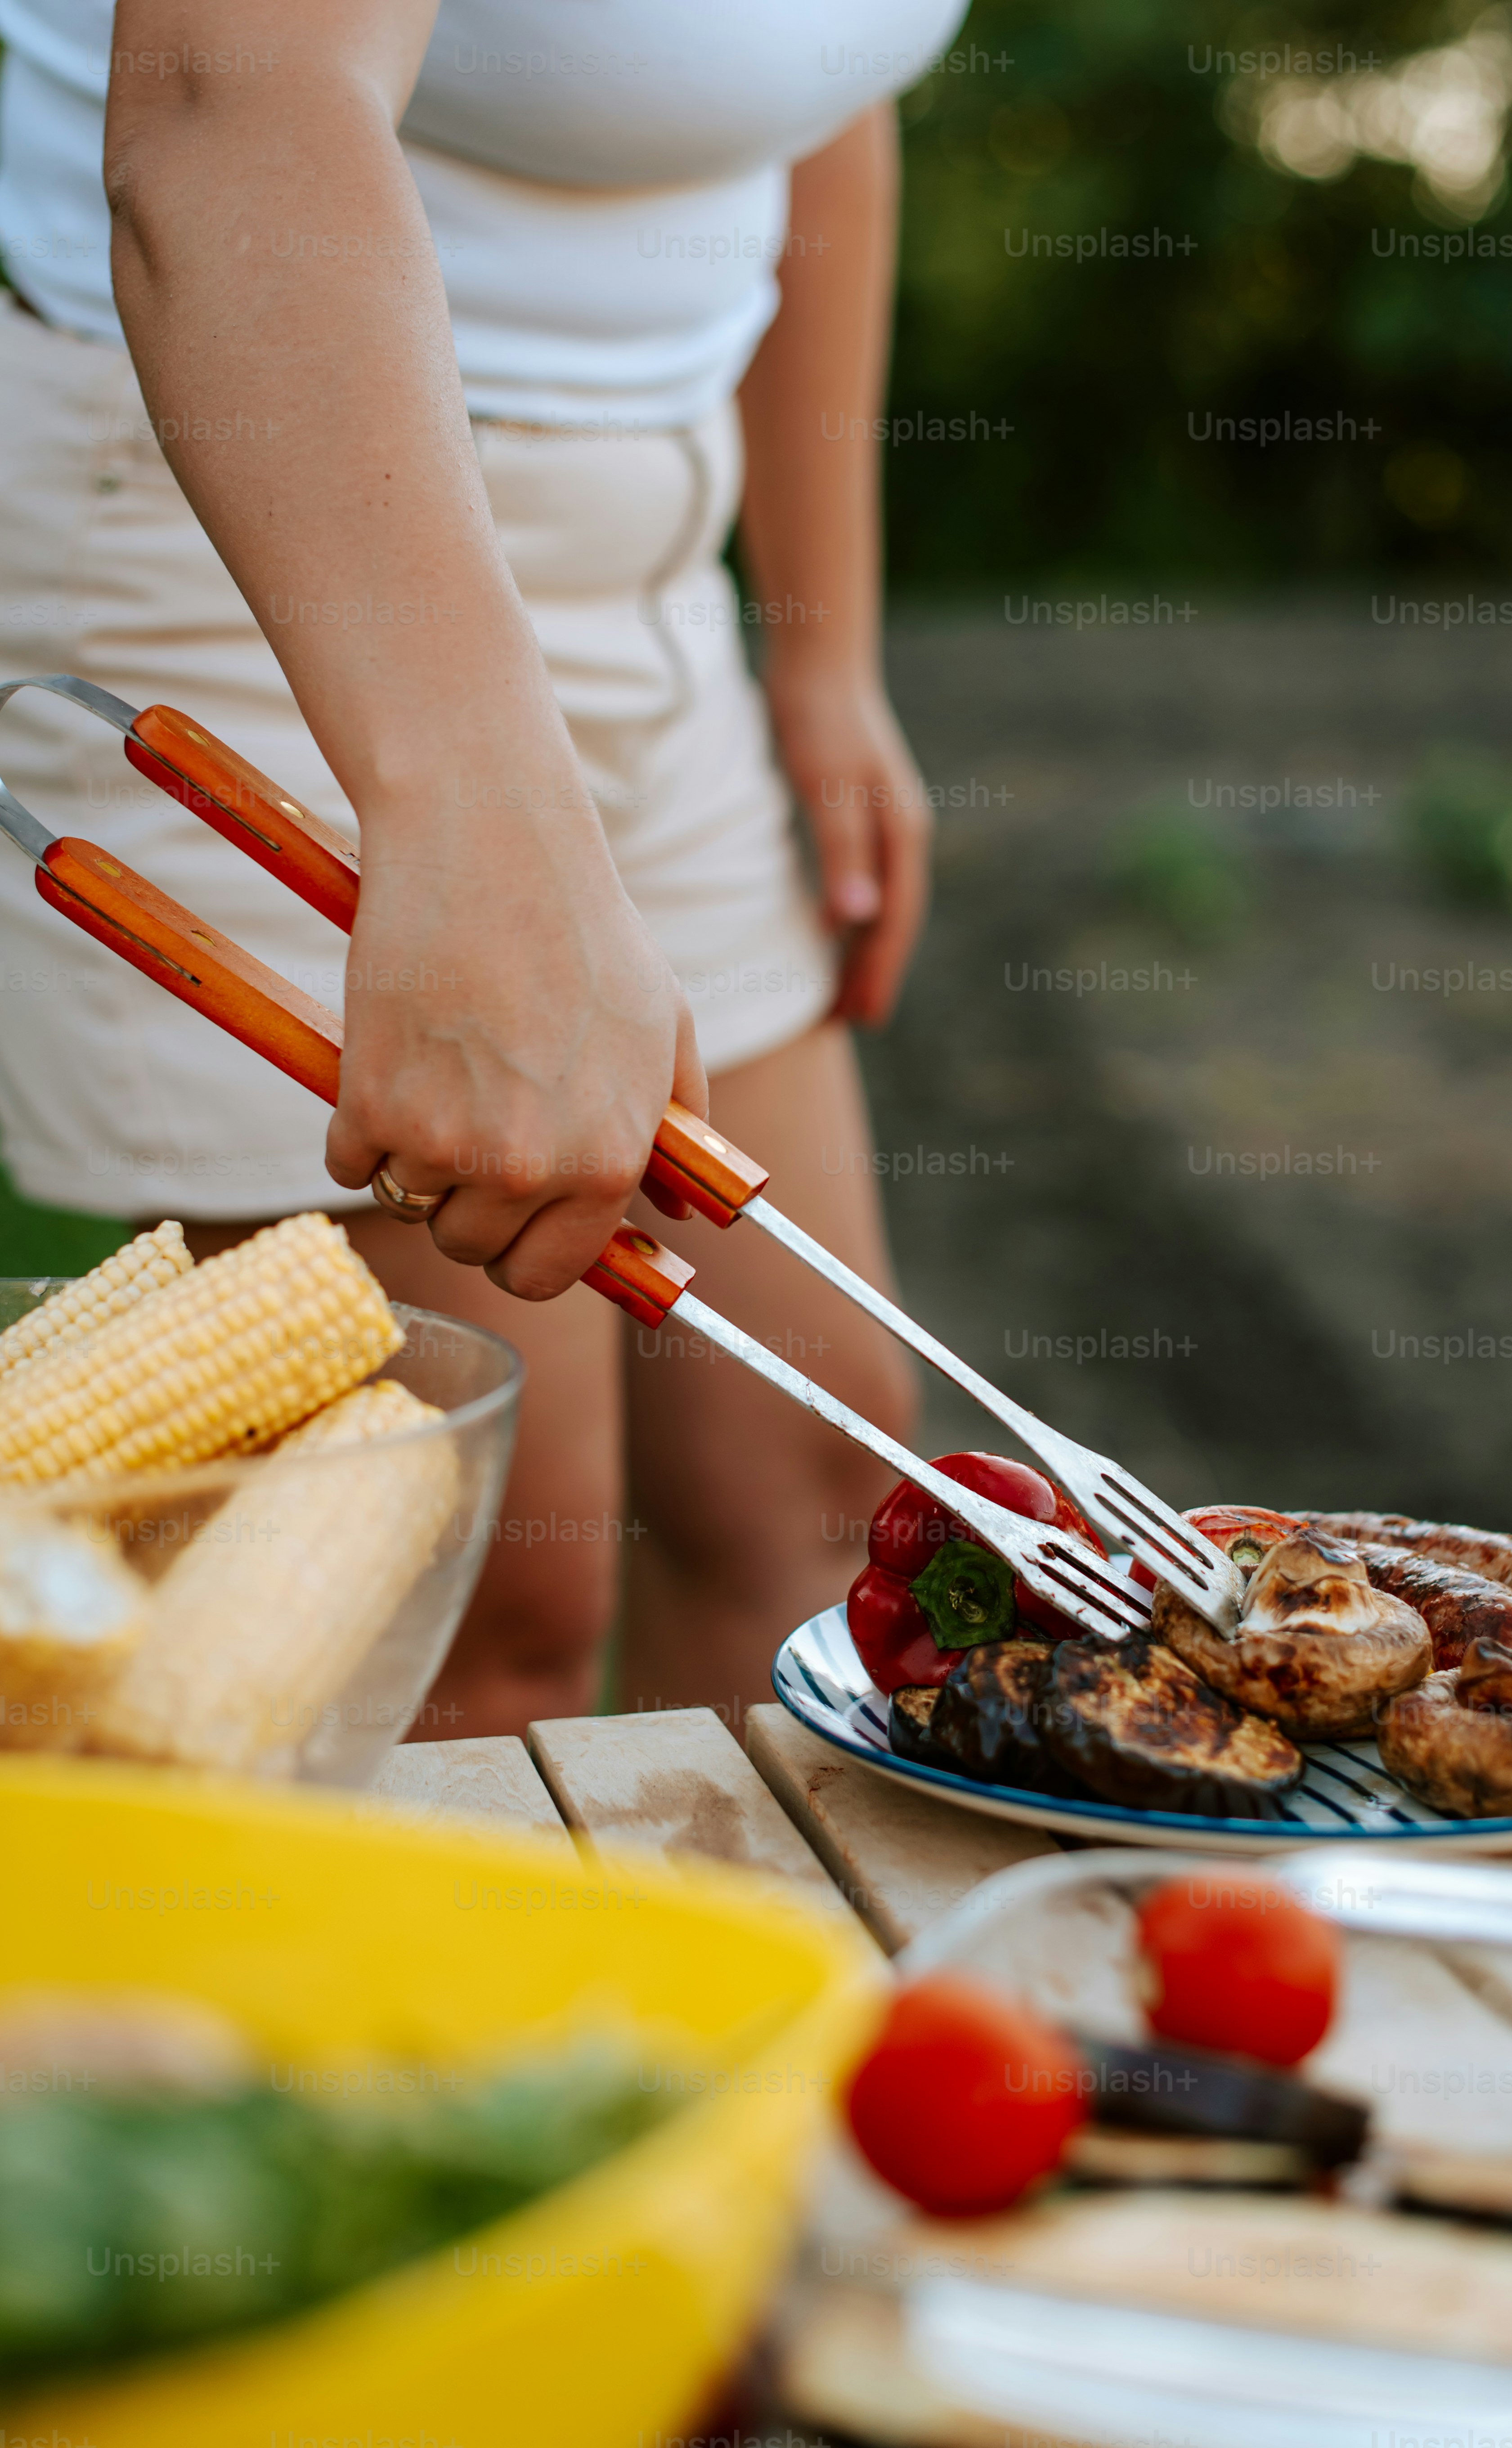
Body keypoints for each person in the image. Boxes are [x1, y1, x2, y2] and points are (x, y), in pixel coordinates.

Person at [0, 0, 965, 1733]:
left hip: (660, 557)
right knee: (483, 1587)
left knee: (810, 1489)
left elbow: (818, 81)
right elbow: (229, 99)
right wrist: (467, 823)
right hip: (273, 501)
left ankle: (734, 2007)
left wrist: (823, 653)